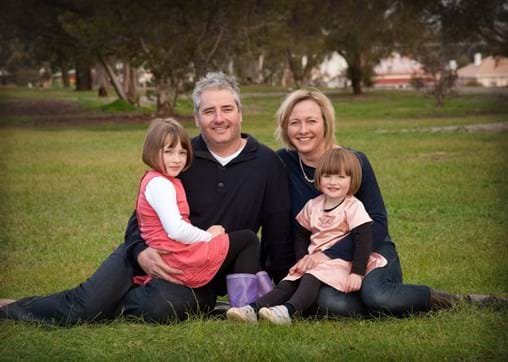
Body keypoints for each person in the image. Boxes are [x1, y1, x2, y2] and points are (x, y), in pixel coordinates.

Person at [0, 72, 293, 325]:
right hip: (147, 253)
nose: (219, 119)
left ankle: (115, 303)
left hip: (197, 274)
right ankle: (13, 308)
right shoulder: (180, 156)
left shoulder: (266, 164)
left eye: (227, 109)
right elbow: (138, 221)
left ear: (240, 113)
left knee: (160, 307)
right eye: (209, 111)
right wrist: (141, 252)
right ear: (196, 117)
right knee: (85, 306)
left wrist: (278, 295)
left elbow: (276, 235)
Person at [272, 88, 506, 318]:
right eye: (294, 122)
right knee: (328, 302)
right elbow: (277, 222)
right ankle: (387, 303)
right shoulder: (281, 163)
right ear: (285, 126)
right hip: (323, 267)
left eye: (311, 121)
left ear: (325, 123)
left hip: (370, 249)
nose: (303, 130)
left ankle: (459, 301)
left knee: (378, 297)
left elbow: (378, 222)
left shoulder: (354, 162)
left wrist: (329, 254)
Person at [226, 147, 387, 324]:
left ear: (352, 180)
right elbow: (301, 233)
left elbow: (363, 240)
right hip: (315, 260)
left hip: (341, 262)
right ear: (319, 178)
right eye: (328, 176)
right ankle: (252, 309)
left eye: (341, 177)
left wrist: (357, 273)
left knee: (311, 276)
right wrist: (302, 259)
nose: (333, 182)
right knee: (290, 280)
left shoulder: (353, 207)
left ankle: (287, 312)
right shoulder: (313, 205)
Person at [132, 117, 260, 293]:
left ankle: (259, 294)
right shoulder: (160, 184)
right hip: (177, 257)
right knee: (248, 239)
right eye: (169, 152)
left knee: (242, 239)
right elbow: (176, 229)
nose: (177, 159)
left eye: (182, 153)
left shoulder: (161, 180)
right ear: (152, 151)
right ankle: (246, 302)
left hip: (173, 254)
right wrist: (208, 236)